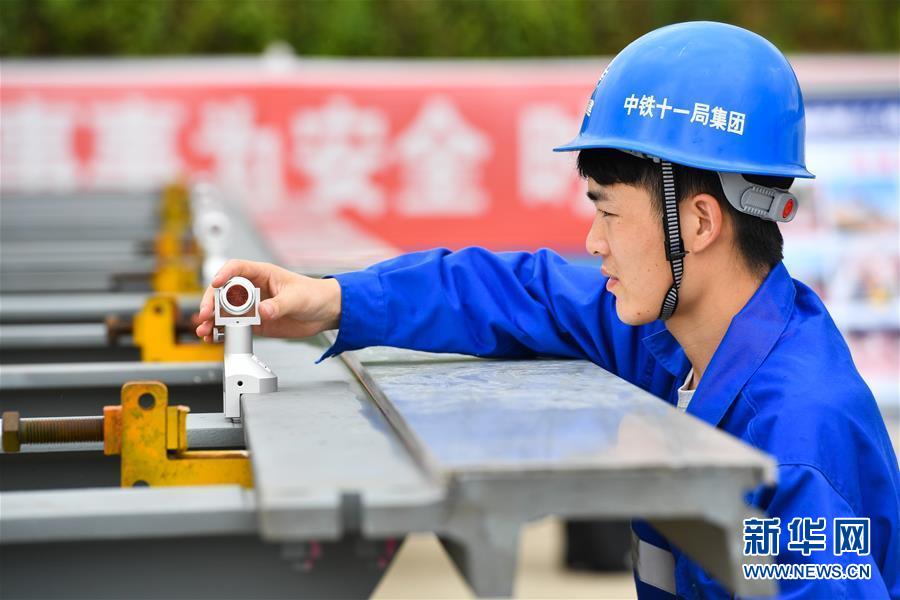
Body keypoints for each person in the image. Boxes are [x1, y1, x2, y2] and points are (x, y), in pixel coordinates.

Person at [195, 21, 899, 599]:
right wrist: (334, 299)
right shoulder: (677, 341)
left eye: (608, 213)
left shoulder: (796, 441)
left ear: (701, 222)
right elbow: (517, 290)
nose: (593, 243)